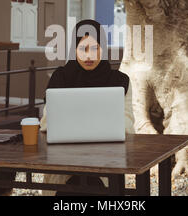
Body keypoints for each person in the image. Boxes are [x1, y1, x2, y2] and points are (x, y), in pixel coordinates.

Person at [39, 19, 135, 196]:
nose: (89, 56)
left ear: (103, 49)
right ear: (74, 50)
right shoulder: (61, 78)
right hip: (63, 161)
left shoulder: (120, 81)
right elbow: (46, 123)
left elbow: (128, 124)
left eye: (95, 48)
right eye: (83, 49)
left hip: (105, 161)